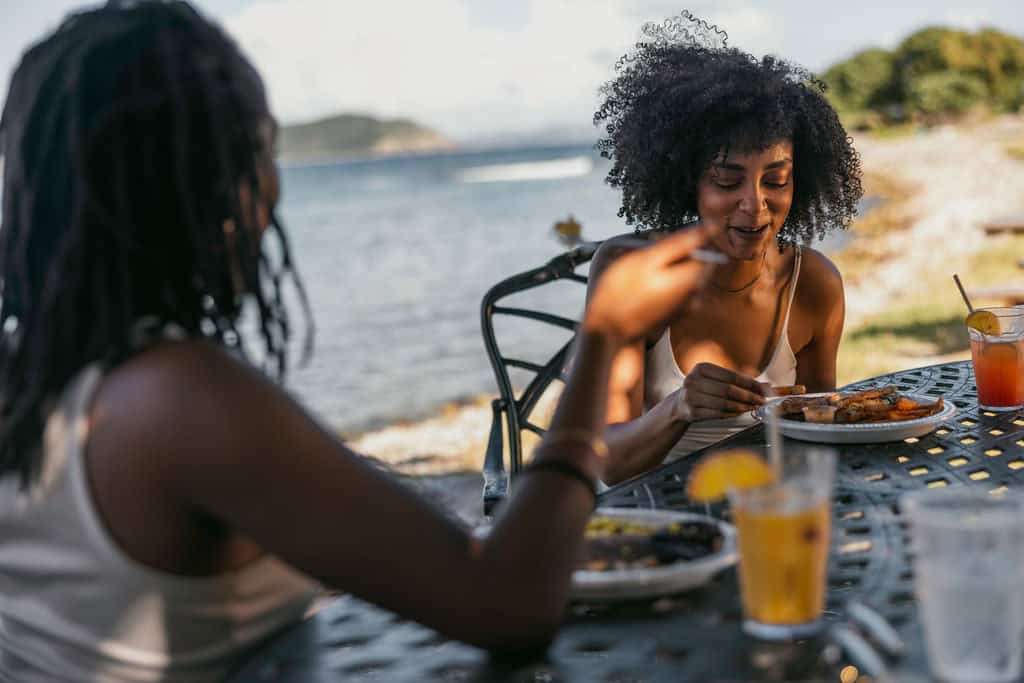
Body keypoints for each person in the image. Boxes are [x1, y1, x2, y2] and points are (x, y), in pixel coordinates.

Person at [0, 3, 716, 681]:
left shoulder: (39, 378)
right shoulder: (179, 396)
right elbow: (510, 606)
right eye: (257, 152)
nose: (274, 186)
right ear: (191, 186)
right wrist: (601, 335)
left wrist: (453, 496)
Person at [589, 12, 863, 485]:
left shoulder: (814, 285)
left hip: (770, 510)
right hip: (659, 524)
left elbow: (823, 444)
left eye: (776, 180)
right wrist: (678, 408)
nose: (755, 205)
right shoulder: (633, 272)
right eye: (727, 180)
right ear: (688, 180)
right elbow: (605, 463)